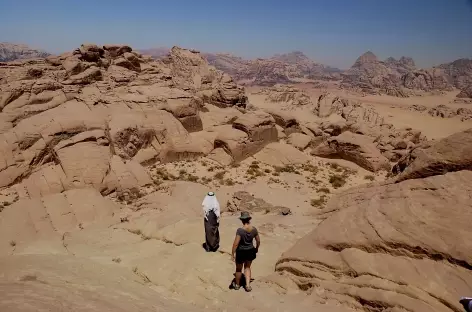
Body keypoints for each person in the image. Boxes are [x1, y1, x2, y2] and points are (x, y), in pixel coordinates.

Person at [231, 211, 260, 292]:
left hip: (241, 252)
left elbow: (235, 244)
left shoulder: (240, 231)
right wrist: (256, 248)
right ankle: (247, 285)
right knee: (247, 267)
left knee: (238, 269)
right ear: (249, 220)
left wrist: (232, 254)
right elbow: (258, 241)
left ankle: (237, 285)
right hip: (250, 250)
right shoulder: (254, 229)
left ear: (242, 220)